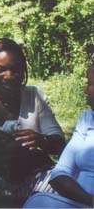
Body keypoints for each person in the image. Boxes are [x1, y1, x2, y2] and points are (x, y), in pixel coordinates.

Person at [0, 38, 66, 207]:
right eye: (0, 70)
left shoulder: (34, 96)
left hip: (35, 177)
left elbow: (59, 144)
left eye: (15, 70)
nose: (8, 76)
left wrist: (40, 140)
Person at [23, 64, 94, 208]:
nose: (86, 90)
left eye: (91, 84)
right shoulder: (87, 119)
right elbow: (59, 174)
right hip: (79, 202)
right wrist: (89, 200)